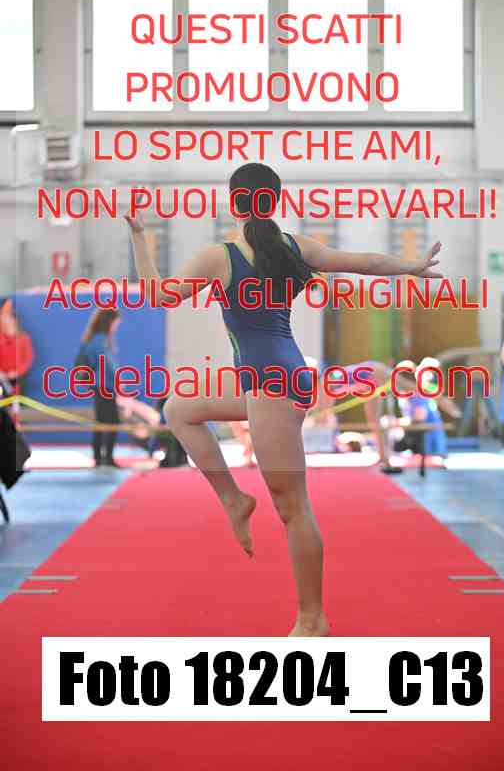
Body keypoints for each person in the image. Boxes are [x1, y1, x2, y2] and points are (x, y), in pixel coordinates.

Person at [125, 162, 442, 637]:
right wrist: (410, 267)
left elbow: (158, 295)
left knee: (293, 507)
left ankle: (313, 618)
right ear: (274, 202)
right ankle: (234, 499)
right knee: (180, 408)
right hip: (273, 377)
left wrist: (138, 237)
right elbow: (363, 262)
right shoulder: (295, 247)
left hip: (271, 385)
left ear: (234, 203)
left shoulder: (221, 256)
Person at [77, 308, 122, 468]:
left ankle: (99, 456)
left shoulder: (93, 339)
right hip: (104, 385)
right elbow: (107, 364)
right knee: (112, 422)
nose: (116, 326)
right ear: (109, 322)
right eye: (115, 323)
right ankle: (106, 457)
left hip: (99, 385)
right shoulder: (100, 341)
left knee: (101, 421)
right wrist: (119, 380)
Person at [0, 299, 34, 399]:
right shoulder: (1, 338)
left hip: (17, 378)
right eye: (3, 319)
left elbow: (27, 359)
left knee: (14, 390)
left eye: (8, 319)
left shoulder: (24, 338)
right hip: (2, 378)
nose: (6, 322)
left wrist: (16, 372)